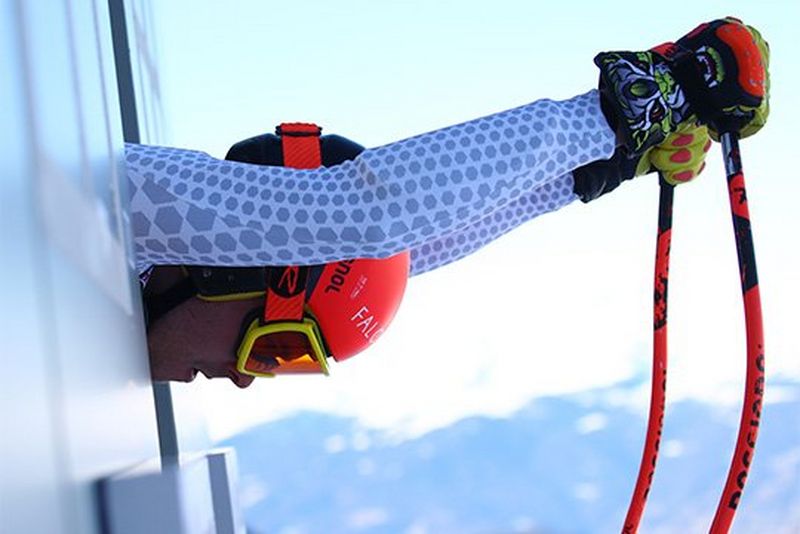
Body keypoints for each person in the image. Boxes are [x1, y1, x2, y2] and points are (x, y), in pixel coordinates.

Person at [131, 17, 770, 387]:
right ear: (233, 266)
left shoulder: (121, 279)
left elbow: (418, 244)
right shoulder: (133, 203)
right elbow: (365, 213)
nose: (246, 377)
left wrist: (605, 168)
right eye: (274, 348)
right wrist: (618, 114)